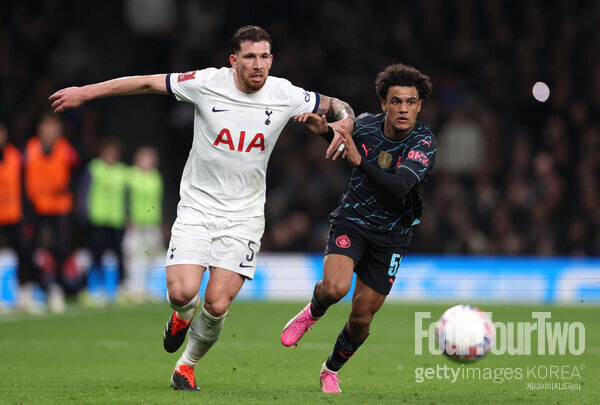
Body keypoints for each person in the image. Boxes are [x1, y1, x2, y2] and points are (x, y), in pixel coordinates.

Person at [49, 25, 354, 391]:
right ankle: (180, 316)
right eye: (250, 57)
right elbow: (147, 83)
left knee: (218, 304)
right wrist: (88, 92)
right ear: (233, 61)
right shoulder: (206, 82)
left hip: (244, 217)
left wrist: (344, 122)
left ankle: (187, 365)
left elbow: (337, 105)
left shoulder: (284, 93)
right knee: (182, 293)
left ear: (271, 59)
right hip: (197, 208)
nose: (258, 65)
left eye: (264, 57)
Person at [281, 63, 436, 393]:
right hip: (353, 221)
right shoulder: (364, 126)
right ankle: (313, 310)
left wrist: (359, 162)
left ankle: (330, 370)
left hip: (393, 236)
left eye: (410, 102)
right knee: (335, 288)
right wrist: (322, 129)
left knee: (361, 318)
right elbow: (339, 138)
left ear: (419, 105)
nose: (403, 108)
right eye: (396, 101)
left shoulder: (424, 141)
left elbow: (399, 187)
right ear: (384, 104)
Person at [24, 114, 80, 313]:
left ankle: (55, 290)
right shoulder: (29, 149)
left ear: (59, 130)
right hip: (36, 207)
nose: (49, 131)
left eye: (52, 127)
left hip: (59, 207)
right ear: (40, 130)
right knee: (28, 248)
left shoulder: (67, 150)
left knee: (61, 249)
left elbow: (76, 174)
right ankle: (28, 292)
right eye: (45, 127)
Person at [79, 138, 128, 306]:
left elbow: (128, 197)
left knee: (119, 255)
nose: (110, 156)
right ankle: (93, 289)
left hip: (116, 220)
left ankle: (121, 288)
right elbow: (84, 191)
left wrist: (128, 216)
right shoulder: (94, 168)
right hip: (98, 219)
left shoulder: (123, 171)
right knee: (95, 255)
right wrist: (83, 213)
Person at [0, 124, 36, 313]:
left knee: (24, 252)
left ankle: (25, 294)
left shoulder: (16, 156)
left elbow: (24, 185)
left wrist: (25, 211)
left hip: (14, 214)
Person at [122, 146, 165, 303]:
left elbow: (158, 201)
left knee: (152, 256)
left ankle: (146, 288)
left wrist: (160, 221)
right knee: (133, 255)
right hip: (136, 223)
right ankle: (132, 287)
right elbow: (124, 198)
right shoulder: (130, 176)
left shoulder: (156, 177)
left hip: (152, 223)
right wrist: (127, 216)